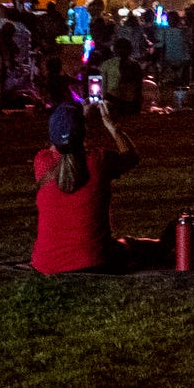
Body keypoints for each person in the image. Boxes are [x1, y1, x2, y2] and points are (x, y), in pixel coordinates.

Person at [31, 99, 159, 274]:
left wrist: (75, 123)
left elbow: (63, 148)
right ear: (84, 132)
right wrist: (113, 127)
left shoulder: (41, 161)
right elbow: (131, 157)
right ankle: (167, 244)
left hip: (46, 264)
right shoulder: (98, 160)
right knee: (133, 246)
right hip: (95, 261)